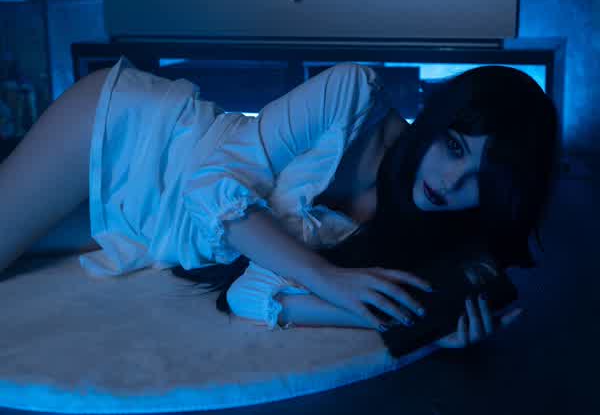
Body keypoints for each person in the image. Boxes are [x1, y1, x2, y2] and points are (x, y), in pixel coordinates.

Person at [0, 57, 559, 351]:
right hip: (129, 135)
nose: (452, 181)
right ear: (435, 121)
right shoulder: (351, 94)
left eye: (481, 179)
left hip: (144, 225)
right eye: (453, 146)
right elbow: (210, 183)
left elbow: (249, 297)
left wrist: (414, 321)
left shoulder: (405, 225)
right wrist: (328, 277)